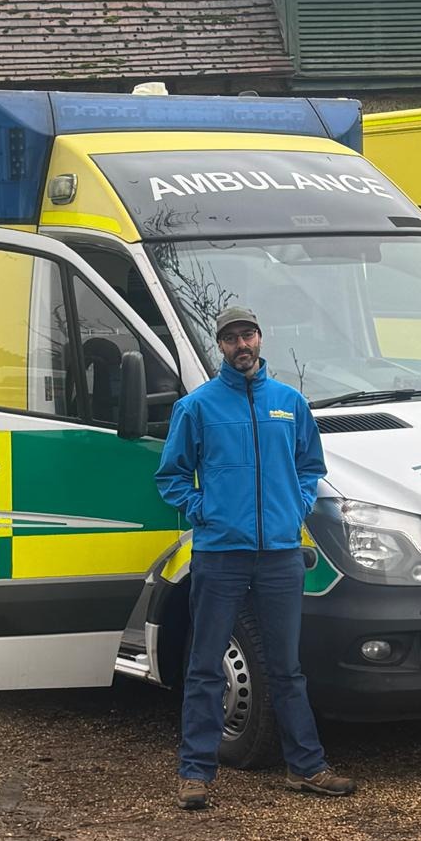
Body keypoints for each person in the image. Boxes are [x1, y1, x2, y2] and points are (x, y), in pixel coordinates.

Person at [155, 304, 355, 810]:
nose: (241, 345)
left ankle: (305, 767)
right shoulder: (197, 407)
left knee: (287, 667)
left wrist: (296, 507)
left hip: (281, 555)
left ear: (260, 338)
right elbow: (171, 476)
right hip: (220, 554)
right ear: (220, 346)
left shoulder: (290, 403)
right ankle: (195, 773)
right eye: (231, 339)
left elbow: (310, 467)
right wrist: (205, 511)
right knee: (205, 666)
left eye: (248, 335)